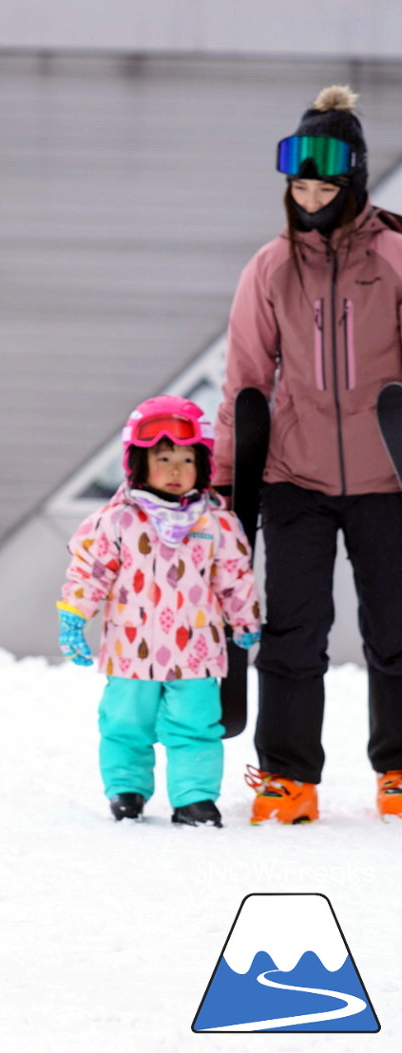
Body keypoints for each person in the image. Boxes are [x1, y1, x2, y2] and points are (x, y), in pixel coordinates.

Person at [215, 85, 402, 824]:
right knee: (292, 631)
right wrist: (229, 488)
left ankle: (398, 771)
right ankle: (289, 777)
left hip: (390, 476)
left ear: (353, 184)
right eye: (301, 185)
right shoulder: (270, 268)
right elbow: (245, 382)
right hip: (294, 477)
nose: (313, 198)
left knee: (397, 629)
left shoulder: (394, 257)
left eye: (327, 186)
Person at [57, 396, 261, 827]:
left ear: (202, 468)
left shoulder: (216, 524)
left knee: (196, 729)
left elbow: (234, 575)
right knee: (125, 725)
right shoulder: (116, 522)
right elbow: (90, 572)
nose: (174, 469)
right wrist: (74, 615)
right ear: (138, 464)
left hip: (196, 653)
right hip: (130, 651)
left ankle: (194, 799)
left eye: (186, 460)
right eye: (163, 458)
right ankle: (126, 790)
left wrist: (245, 618)